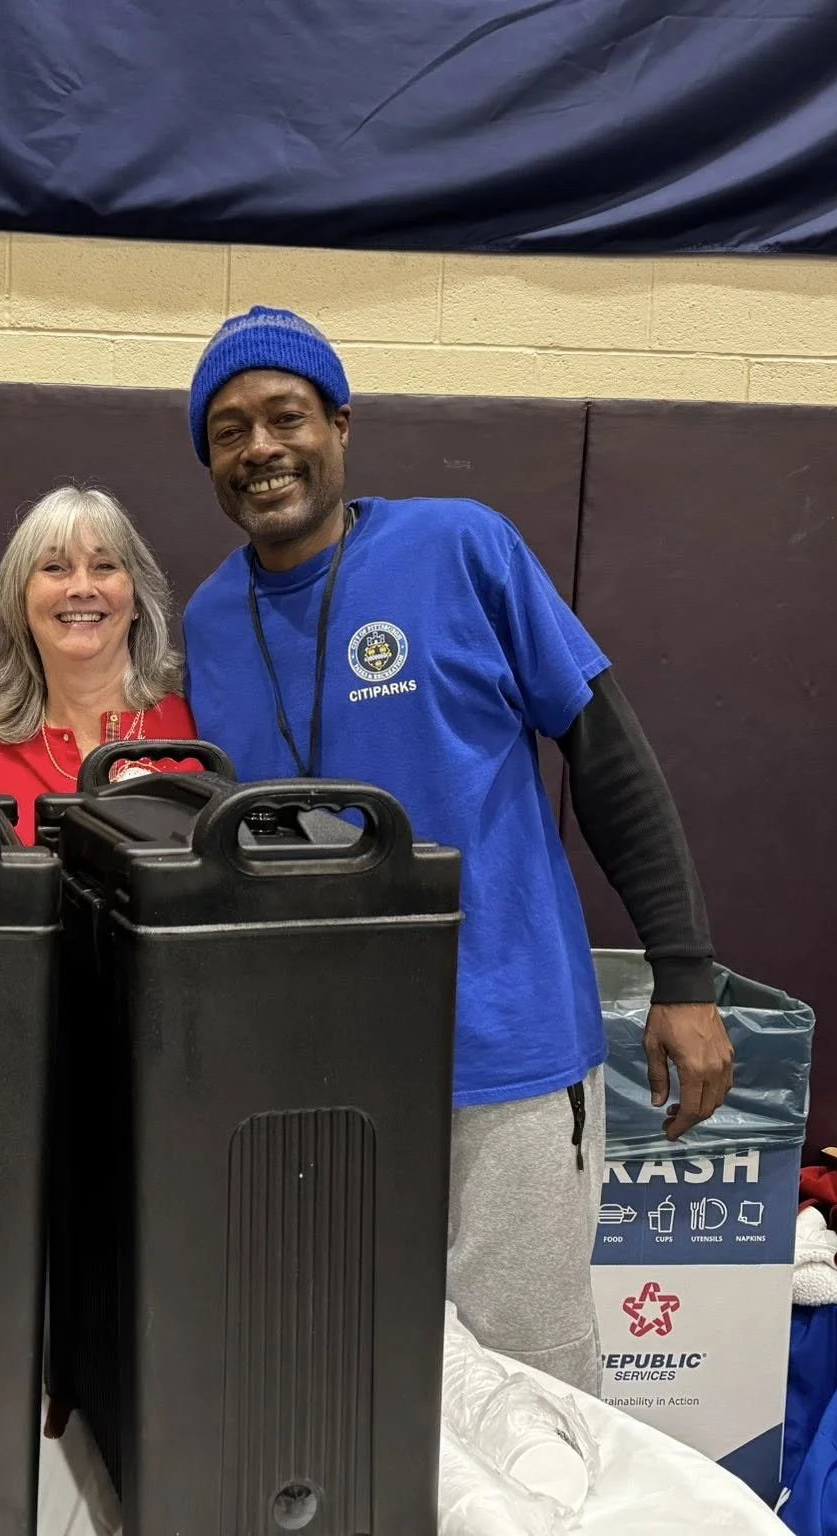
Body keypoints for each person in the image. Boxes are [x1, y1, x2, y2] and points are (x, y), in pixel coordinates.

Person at [178, 306, 733, 1394]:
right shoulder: (205, 620)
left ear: (339, 424)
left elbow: (607, 757)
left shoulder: (460, 547)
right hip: (320, 1074)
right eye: (228, 429)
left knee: (530, 1386)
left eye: (284, 415)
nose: (259, 449)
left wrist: (682, 976)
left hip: (503, 1056)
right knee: (350, 1385)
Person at [0, 486, 197, 843]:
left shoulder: (191, 723)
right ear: (21, 601)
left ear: (136, 599)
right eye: (55, 567)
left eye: (104, 566)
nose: (81, 588)